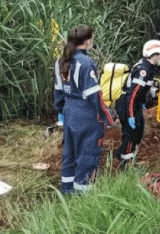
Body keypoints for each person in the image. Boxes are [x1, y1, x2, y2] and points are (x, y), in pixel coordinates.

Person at [53, 25, 114, 194]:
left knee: (70, 154)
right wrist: (108, 117)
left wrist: (60, 111)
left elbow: (58, 91)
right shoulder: (85, 63)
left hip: (69, 111)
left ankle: (67, 190)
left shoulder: (60, 61)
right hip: (86, 114)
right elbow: (94, 95)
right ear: (87, 42)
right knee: (88, 155)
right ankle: (83, 196)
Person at [115, 39, 160, 166]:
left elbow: (140, 92)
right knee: (131, 134)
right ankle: (126, 163)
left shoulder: (148, 66)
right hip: (127, 104)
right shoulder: (144, 71)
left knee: (138, 132)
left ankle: (122, 155)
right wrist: (131, 114)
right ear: (154, 55)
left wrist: (142, 103)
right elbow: (132, 95)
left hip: (133, 103)